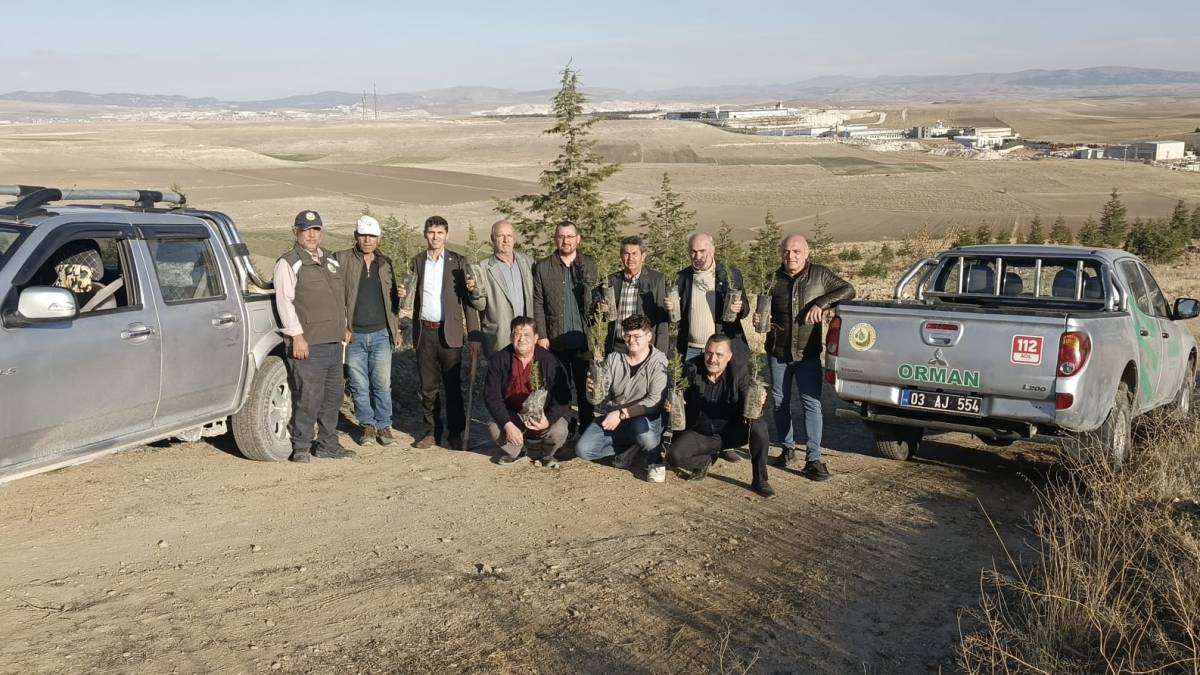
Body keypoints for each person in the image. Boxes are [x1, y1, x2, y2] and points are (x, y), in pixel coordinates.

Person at [761, 234, 855, 480]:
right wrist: (760, 319)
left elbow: (848, 290)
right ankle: (787, 449)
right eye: (786, 251)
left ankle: (813, 459)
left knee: (811, 404)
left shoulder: (820, 275)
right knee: (780, 402)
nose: (790, 256)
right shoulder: (773, 279)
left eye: (796, 251)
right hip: (778, 352)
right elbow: (764, 309)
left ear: (806, 252)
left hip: (807, 353)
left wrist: (822, 303)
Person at [272, 210, 355, 463]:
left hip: (333, 341)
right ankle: (301, 446)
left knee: (333, 397)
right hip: (308, 343)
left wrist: (344, 326)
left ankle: (328, 444)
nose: (311, 235)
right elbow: (284, 302)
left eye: (316, 230)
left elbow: (337, 297)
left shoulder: (330, 260)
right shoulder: (288, 263)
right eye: (306, 230)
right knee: (309, 396)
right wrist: (296, 336)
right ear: (295, 232)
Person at [403, 215, 482, 450]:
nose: (435, 237)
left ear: (446, 235)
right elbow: (409, 292)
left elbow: (468, 301)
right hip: (425, 332)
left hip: (451, 332)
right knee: (427, 388)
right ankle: (431, 432)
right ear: (425, 234)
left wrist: (474, 335)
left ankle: (456, 433)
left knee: (453, 386)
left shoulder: (458, 262)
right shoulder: (417, 261)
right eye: (431, 232)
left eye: (439, 233)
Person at [666, 334, 774, 497]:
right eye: (709, 353)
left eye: (719, 355)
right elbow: (680, 396)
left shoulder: (739, 372)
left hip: (732, 432)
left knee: (759, 426)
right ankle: (704, 461)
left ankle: (760, 479)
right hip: (701, 433)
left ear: (729, 357)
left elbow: (750, 398)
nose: (712, 359)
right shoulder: (692, 368)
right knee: (673, 456)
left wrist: (760, 400)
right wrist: (672, 404)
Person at [575, 315, 669, 482]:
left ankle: (655, 460)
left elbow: (654, 402)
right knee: (583, 450)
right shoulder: (614, 358)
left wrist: (621, 414)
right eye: (627, 335)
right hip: (616, 416)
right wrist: (593, 390)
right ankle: (630, 447)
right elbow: (598, 398)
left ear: (649, 336)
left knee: (643, 432)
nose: (631, 340)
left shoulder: (659, 362)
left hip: (645, 417)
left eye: (637, 336)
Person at [335, 215, 402, 447]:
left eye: (372, 236)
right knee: (359, 385)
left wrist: (396, 329)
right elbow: (334, 295)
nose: (367, 240)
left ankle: (384, 425)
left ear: (379, 238)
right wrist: (342, 326)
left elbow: (393, 301)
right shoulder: (342, 259)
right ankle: (367, 425)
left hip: (382, 333)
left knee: (382, 383)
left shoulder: (385, 263)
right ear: (356, 236)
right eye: (363, 235)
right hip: (354, 334)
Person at [532, 221, 598, 430]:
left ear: (578, 239)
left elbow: (597, 297)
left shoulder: (589, 264)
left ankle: (587, 427)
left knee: (585, 386)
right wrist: (542, 335)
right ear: (555, 239)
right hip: (555, 338)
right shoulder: (543, 267)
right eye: (561, 236)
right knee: (561, 387)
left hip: (583, 337)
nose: (566, 240)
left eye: (570, 236)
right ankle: (566, 428)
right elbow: (538, 302)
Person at [484, 317, 573, 467]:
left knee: (560, 430)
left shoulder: (549, 361)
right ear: (511, 337)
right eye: (517, 334)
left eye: (526, 334)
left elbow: (563, 396)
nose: (521, 339)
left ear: (536, 338)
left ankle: (547, 454)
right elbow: (492, 396)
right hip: (514, 415)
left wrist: (549, 420)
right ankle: (517, 451)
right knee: (494, 428)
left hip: (542, 417)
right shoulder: (499, 360)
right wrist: (507, 424)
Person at [664, 232, 749, 362]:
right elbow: (675, 314)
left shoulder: (730, 275)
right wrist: (669, 308)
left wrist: (740, 308)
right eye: (693, 251)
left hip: (721, 350)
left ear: (712, 250)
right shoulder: (681, 277)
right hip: (691, 349)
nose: (697, 256)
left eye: (702, 251)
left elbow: (745, 309)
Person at [467, 219, 535, 356]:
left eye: (509, 236)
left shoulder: (529, 262)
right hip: (499, 337)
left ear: (514, 238)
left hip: (526, 336)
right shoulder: (483, 268)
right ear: (493, 239)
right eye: (500, 236)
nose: (505, 240)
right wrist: (474, 291)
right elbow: (480, 305)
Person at [598, 235, 668, 355]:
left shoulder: (656, 280)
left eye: (634, 253)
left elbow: (662, 319)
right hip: (618, 345)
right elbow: (602, 314)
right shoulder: (612, 280)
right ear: (621, 256)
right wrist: (601, 308)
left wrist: (660, 353)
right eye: (626, 254)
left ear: (643, 256)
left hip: (644, 347)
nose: (630, 258)